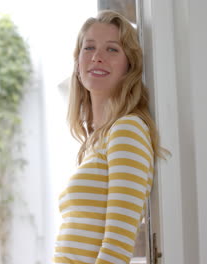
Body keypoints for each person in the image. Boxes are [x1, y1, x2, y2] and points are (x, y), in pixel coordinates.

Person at [53, 10, 168, 264]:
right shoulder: (96, 140)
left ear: (130, 65)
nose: (97, 57)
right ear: (77, 63)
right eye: (89, 48)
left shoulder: (127, 131)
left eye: (112, 49)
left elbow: (117, 247)